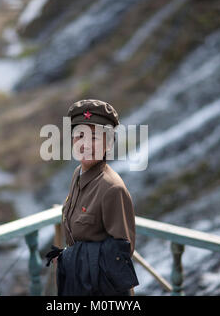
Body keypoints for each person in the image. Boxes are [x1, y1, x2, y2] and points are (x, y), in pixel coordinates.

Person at [47, 99, 137, 296]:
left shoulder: (112, 188)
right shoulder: (78, 174)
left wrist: (69, 258)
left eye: (94, 137)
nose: (85, 144)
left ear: (109, 143)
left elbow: (120, 254)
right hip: (80, 286)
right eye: (80, 136)